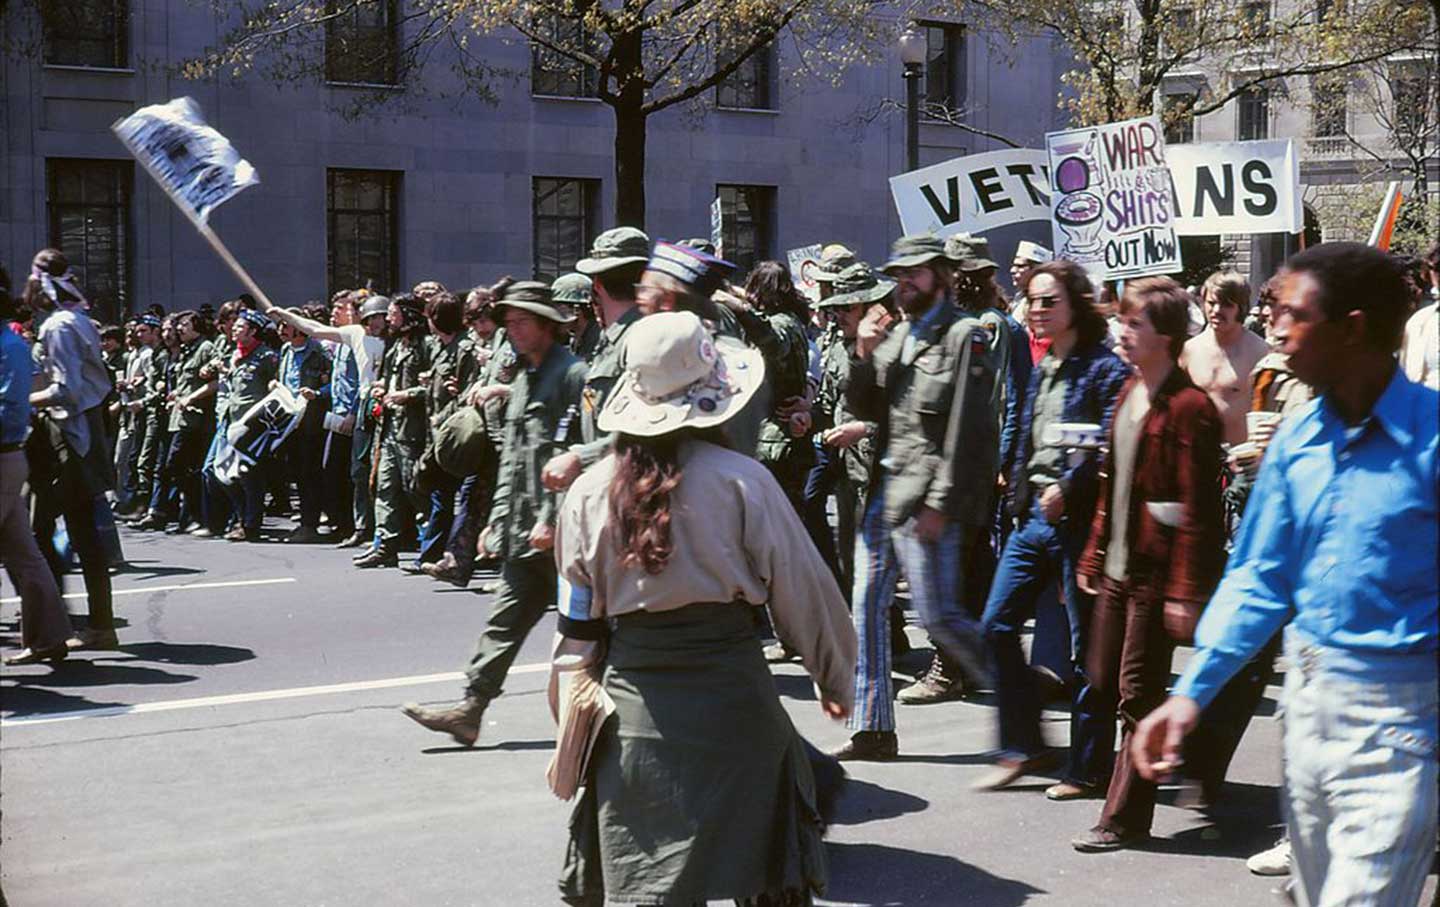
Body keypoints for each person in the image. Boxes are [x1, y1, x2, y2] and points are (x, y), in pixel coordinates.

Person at [1134, 242, 1437, 907]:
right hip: (1306, 719)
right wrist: (1193, 691)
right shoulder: (1298, 439)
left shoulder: (1433, 438)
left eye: (1292, 314)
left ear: (1351, 327)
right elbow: (1258, 578)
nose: (1275, 330)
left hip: (1401, 724)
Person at [552, 310, 856, 907]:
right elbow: (803, 588)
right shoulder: (744, 479)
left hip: (634, 719)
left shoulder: (587, 493)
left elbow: (576, 625)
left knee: (650, 884)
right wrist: (833, 674)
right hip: (737, 705)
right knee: (766, 876)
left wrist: (566, 710)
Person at [1068, 277, 1225, 852]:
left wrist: (1185, 590)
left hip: (1157, 576)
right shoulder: (1128, 393)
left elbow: (1198, 508)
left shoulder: (1190, 408)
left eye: (1135, 324)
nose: (1123, 332)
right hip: (1115, 568)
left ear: (1166, 336)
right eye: (1124, 321)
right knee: (1101, 675)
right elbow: (1113, 488)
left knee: (1136, 693)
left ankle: (1123, 819)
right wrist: (1093, 552)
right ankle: (1194, 745)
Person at [834, 234, 998, 761]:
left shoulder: (965, 335)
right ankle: (873, 728)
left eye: (916, 273)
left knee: (940, 616)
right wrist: (864, 350)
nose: (905, 283)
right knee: (866, 606)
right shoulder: (897, 334)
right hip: (887, 491)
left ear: (943, 276)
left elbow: (967, 429)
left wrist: (940, 503)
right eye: (900, 274)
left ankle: (1017, 696)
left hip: (927, 497)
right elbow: (864, 403)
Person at [400, 281, 587, 745]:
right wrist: (497, 520)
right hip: (526, 533)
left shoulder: (573, 377)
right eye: (509, 322)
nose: (513, 330)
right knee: (503, 620)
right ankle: (471, 708)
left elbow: (584, 452)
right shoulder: (523, 379)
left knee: (598, 632)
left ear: (547, 325)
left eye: (522, 321)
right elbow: (515, 457)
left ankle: (623, 712)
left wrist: (554, 516)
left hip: (568, 534)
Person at [976, 258, 1129, 796]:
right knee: (995, 625)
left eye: (1050, 301)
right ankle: (1024, 743)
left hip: (1082, 523)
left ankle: (1088, 767)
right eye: (1034, 300)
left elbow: (1112, 445)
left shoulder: (1104, 369)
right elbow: (1024, 431)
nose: (1037, 310)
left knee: (1088, 652)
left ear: (1075, 307)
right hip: (1034, 519)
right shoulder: (1044, 368)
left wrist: (1073, 487)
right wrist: (1013, 484)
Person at [23, 249, 118, 651]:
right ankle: (99, 624)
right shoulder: (75, 320)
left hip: (69, 438)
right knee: (81, 531)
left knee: (35, 532)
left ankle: (52, 628)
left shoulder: (60, 326)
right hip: (81, 435)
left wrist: (25, 401)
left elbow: (68, 390)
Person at [262, 291, 389, 548]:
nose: (375, 322)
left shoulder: (393, 341)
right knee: (351, 472)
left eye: (381, 317)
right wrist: (285, 315)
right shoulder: (353, 334)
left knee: (374, 475)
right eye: (369, 316)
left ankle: (380, 531)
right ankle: (358, 527)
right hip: (355, 411)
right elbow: (316, 330)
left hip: (379, 409)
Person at [1, 269, 74, 665]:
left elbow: (12, 410)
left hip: (3, 454)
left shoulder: (8, 346)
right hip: (7, 459)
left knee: (26, 555)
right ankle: (48, 637)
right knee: (24, 555)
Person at [356, 295, 431, 568]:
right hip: (389, 429)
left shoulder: (426, 346)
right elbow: (387, 378)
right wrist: (382, 388)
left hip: (413, 432)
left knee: (416, 489)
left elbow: (433, 386)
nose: (388, 319)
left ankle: (430, 545)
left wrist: (405, 395)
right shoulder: (394, 347)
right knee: (384, 487)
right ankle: (385, 546)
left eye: (393, 313)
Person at [134, 310, 217, 533]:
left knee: (178, 466)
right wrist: (175, 395)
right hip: (177, 418)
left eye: (185, 325)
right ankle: (187, 516)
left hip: (195, 420)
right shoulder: (185, 351)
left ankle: (197, 516)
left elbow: (215, 382)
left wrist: (190, 397)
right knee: (179, 468)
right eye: (178, 325)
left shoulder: (205, 348)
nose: (180, 329)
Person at [1182, 271, 1270, 445]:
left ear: (1241, 307)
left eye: (1226, 305)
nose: (1216, 311)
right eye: (1211, 303)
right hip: (1198, 455)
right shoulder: (1189, 350)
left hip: (1241, 460)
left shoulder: (1260, 352)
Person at [215, 309, 280, 541]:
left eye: (240, 327)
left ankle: (251, 525)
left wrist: (274, 384)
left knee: (249, 476)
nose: (234, 329)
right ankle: (243, 519)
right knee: (222, 474)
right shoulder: (235, 355)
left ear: (253, 331)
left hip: (253, 426)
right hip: (231, 422)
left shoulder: (266, 357)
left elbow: (277, 386)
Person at [275, 310, 333, 543]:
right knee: (297, 472)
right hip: (290, 423)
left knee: (310, 473)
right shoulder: (285, 351)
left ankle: (311, 523)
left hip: (311, 423)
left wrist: (317, 394)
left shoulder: (319, 353)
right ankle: (306, 519)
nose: (281, 330)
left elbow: (333, 384)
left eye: (286, 325)